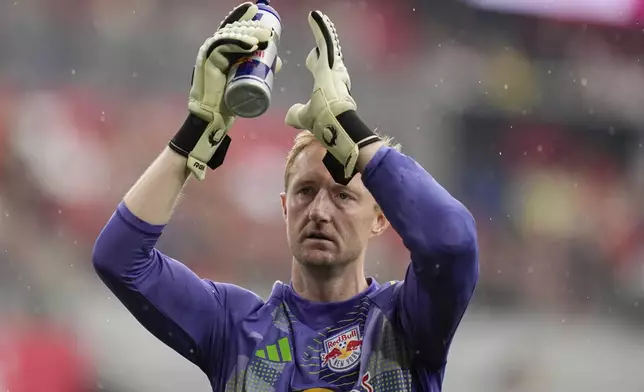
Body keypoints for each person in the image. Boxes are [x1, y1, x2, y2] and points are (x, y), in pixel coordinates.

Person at [92, 3, 479, 391]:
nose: (320, 211)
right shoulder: (235, 327)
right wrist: (197, 130)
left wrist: (350, 128)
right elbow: (119, 259)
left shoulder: (407, 321)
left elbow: (452, 242)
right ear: (284, 207)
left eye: (343, 196)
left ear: (381, 218)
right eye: (305, 191)